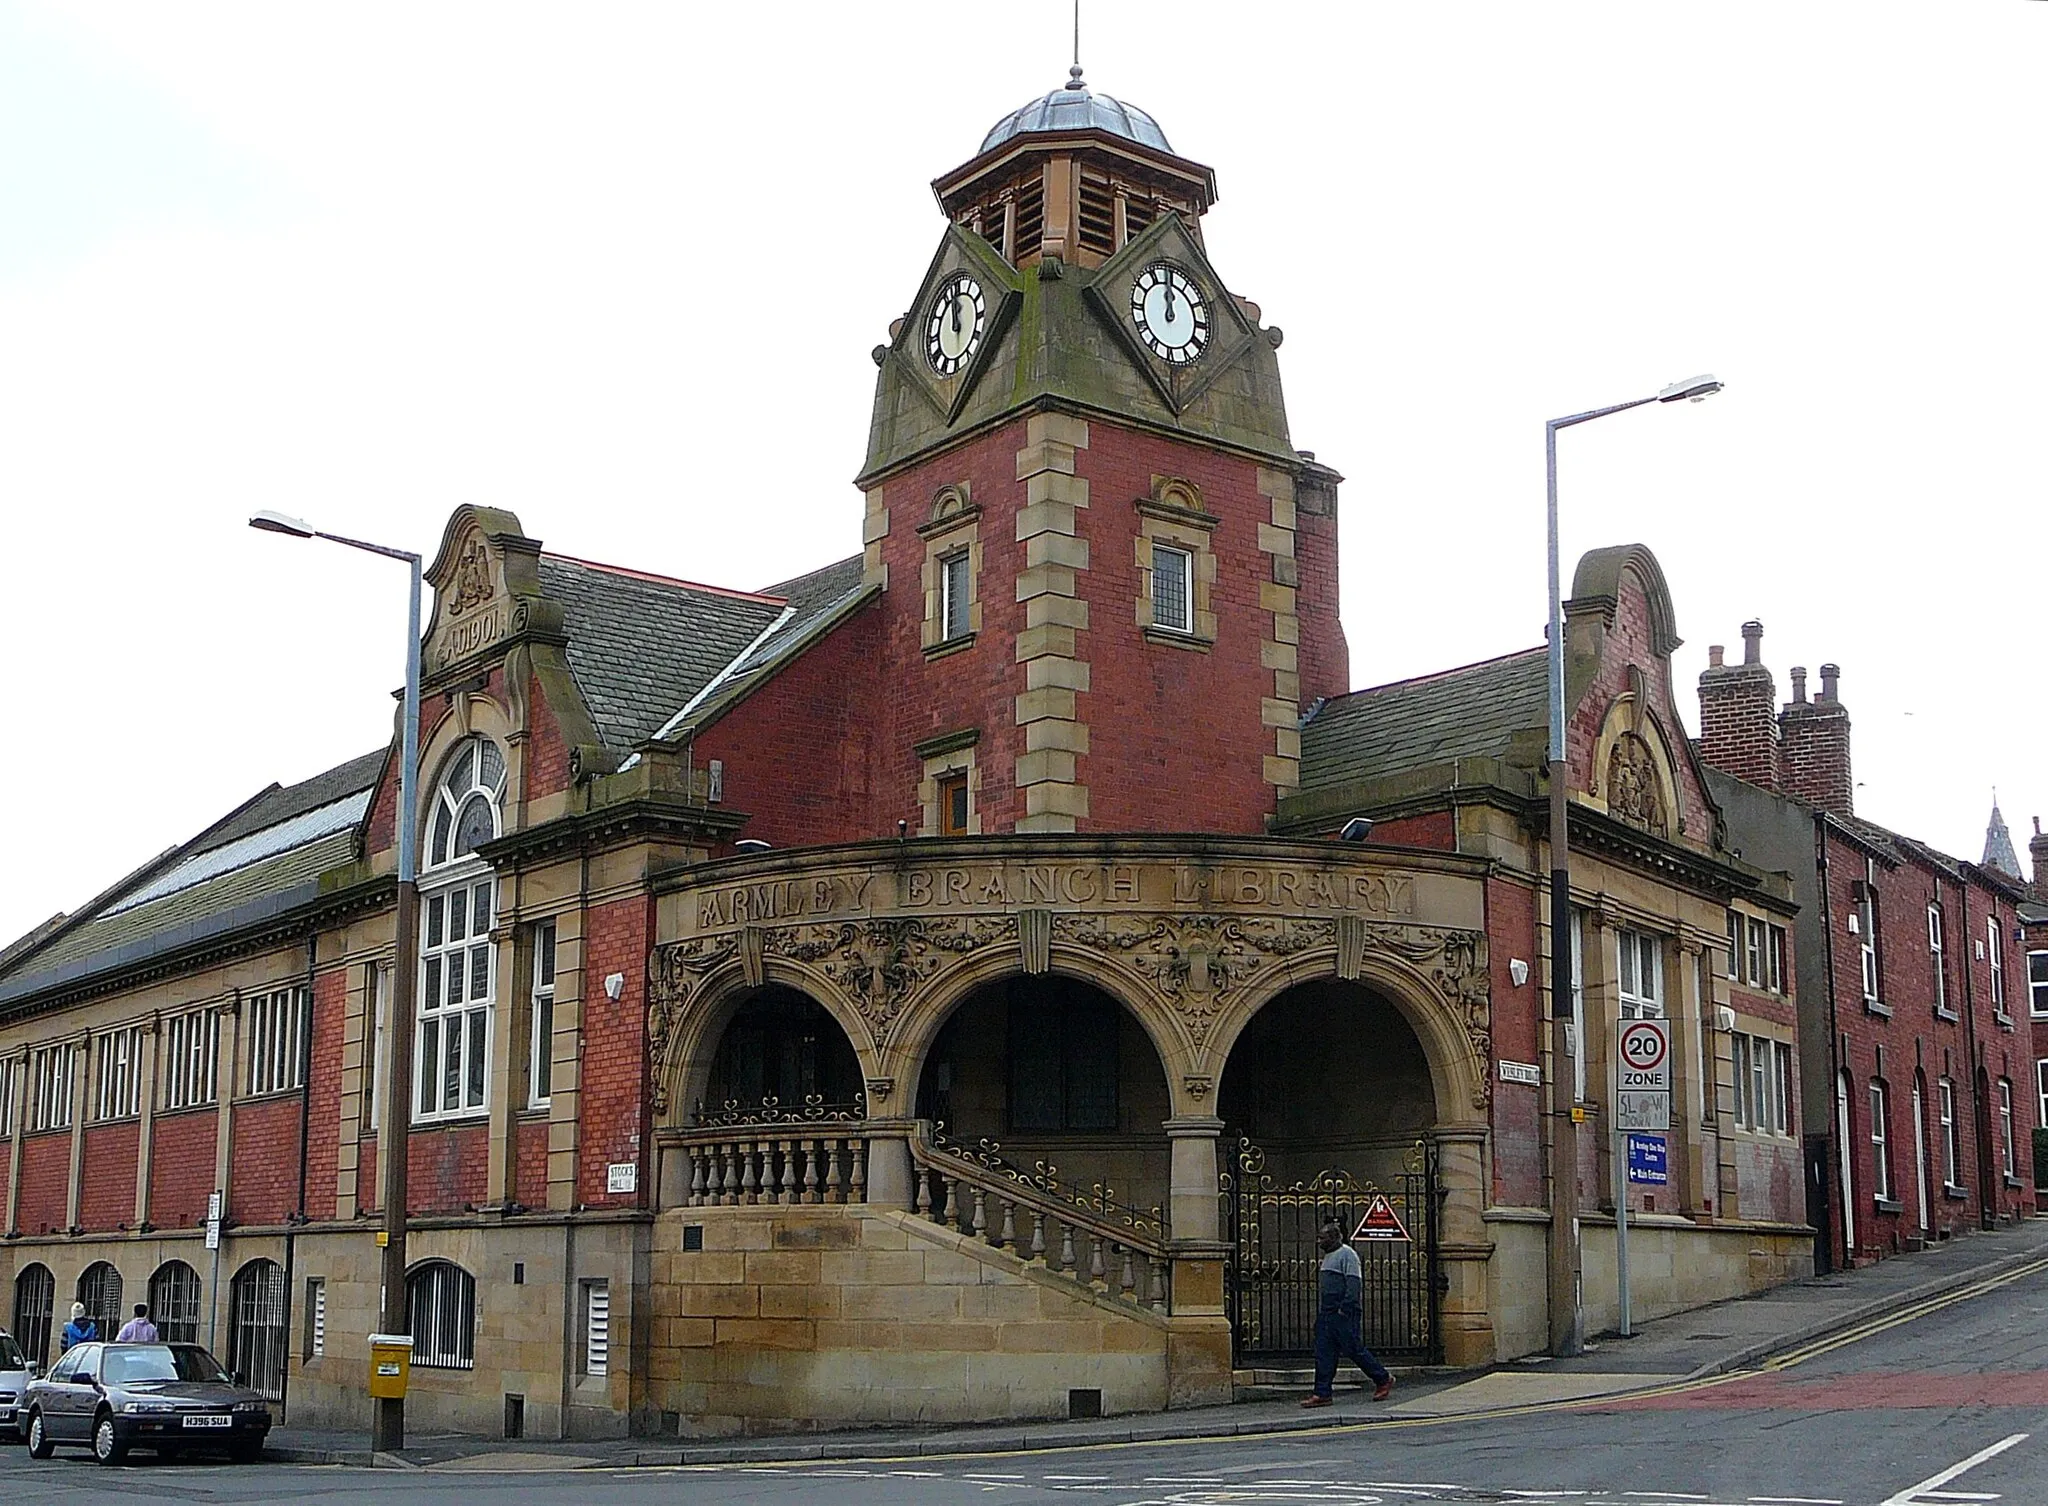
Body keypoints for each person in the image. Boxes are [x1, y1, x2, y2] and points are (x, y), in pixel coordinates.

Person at [1301, 1218, 1394, 1407]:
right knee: (1324, 1353)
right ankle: (1322, 1393)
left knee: (1354, 1349)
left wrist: (1346, 1308)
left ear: (1334, 1238)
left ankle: (1383, 1378)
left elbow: (1354, 1283)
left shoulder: (1347, 1255)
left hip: (1342, 1312)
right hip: (1328, 1312)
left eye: (1322, 1238)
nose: (1319, 1242)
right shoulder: (1329, 1256)